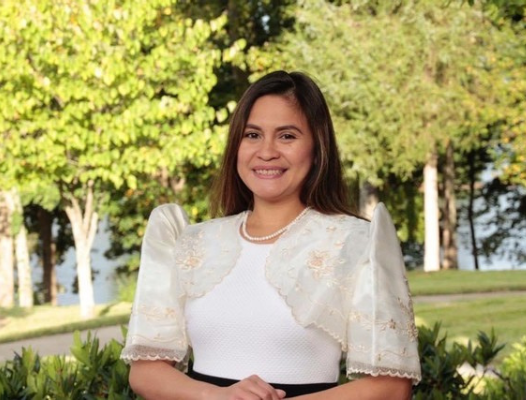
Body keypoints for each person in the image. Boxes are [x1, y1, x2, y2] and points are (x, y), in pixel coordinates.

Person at [121, 70, 421, 399]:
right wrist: (218, 397)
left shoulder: (356, 243)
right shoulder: (190, 242)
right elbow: (146, 371)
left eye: (287, 136)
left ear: (317, 148)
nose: (266, 151)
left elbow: (391, 388)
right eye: (252, 135)